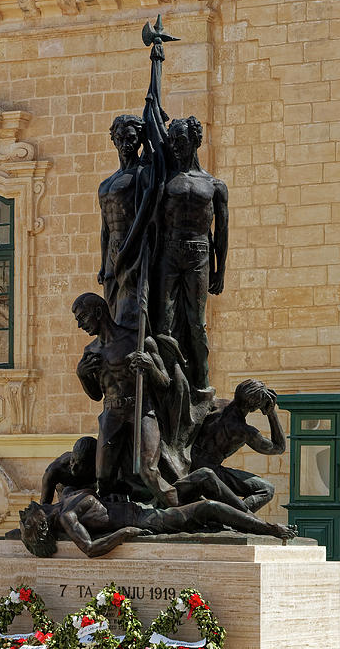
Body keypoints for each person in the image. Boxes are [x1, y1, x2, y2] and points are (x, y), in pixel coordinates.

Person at [72, 292, 178, 507]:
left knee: (148, 469)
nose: (80, 325)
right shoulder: (91, 351)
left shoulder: (137, 340)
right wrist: (82, 375)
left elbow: (165, 383)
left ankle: (182, 511)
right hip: (111, 412)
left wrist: (149, 366)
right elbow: (95, 395)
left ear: (98, 312)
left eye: (82, 318)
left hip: (140, 409)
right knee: (103, 477)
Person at [19, 478, 294, 559]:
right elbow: (90, 549)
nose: (25, 510)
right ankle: (268, 529)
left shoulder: (64, 494)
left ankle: (245, 520)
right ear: (42, 523)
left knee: (204, 477)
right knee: (208, 507)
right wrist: (124, 534)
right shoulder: (68, 516)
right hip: (148, 519)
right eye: (26, 518)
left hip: (143, 501)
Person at [155, 116, 228, 390]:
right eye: (171, 140)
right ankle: (166, 383)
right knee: (164, 322)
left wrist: (220, 270)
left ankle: (201, 382)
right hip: (168, 253)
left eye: (181, 141)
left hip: (199, 254)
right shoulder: (164, 181)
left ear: (195, 142)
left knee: (197, 325)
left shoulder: (213, 185)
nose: (175, 146)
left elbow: (222, 231)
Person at [191, 379, 286, 513]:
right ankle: (232, 519)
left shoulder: (215, 403)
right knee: (266, 489)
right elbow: (279, 447)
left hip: (190, 462)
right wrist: (271, 412)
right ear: (255, 406)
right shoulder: (243, 431)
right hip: (210, 472)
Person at [97, 115, 146, 329]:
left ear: (139, 141)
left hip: (132, 246)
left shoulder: (143, 175)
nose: (126, 144)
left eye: (131, 139)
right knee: (112, 308)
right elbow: (105, 228)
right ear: (114, 140)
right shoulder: (106, 183)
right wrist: (102, 263)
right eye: (121, 138)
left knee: (129, 311)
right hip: (111, 252)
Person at [40, 436, 97, 504]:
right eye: (72, 460)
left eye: (79, 464)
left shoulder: (100, 470)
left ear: (91, 465)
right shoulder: (56, 470)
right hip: (66, 505)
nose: (73, 468)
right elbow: (44, 506)